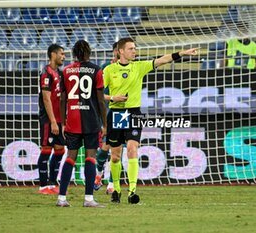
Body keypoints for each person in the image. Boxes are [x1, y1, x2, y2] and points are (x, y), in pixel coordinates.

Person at [103, 37, 197, 204]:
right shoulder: (109, 70)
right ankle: (116, 190)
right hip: (116, 112)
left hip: (134, 112)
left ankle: (132, 191)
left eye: (135, 48)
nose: (134, 51)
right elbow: (97, 94)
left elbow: (162, 60)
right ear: (121, 51)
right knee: (116, 156)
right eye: (131, 49)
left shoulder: (139, 67)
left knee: (132, 149)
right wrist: (112, 97)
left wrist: (181, 53)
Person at [56, 39, 108, 207]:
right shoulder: (96, 70)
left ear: (74, 53)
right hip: (91, 120)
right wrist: (105, 124)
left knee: (70, 157)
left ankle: (61, 198)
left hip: (72, 120)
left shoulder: (66, 70)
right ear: (88, 52)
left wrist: (63, 121)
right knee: (90, 158)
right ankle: (88, 199)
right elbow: (100, 101)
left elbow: (62, 97)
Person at [94, 41, 128, 194]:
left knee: (117, 150)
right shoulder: (105, 70)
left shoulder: (130, 68)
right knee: (104, 148)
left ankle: (112, 183)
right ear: (116, 51)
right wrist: (113, 98)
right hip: (106, 113)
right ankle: (99, 174)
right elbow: (99, 95)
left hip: (122, 113)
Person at [37, 44, 66, 195]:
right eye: (61, 53)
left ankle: (53, 182)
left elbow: (62, 100)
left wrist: (63, 122)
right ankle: (43, 186)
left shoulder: (60, 73)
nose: (64, 56)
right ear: (53, 54)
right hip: (48, 119)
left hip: (59, 119)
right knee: (46, 150)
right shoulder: (46, 72)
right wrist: (53, 121)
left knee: (60, 150)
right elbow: (46, 99)